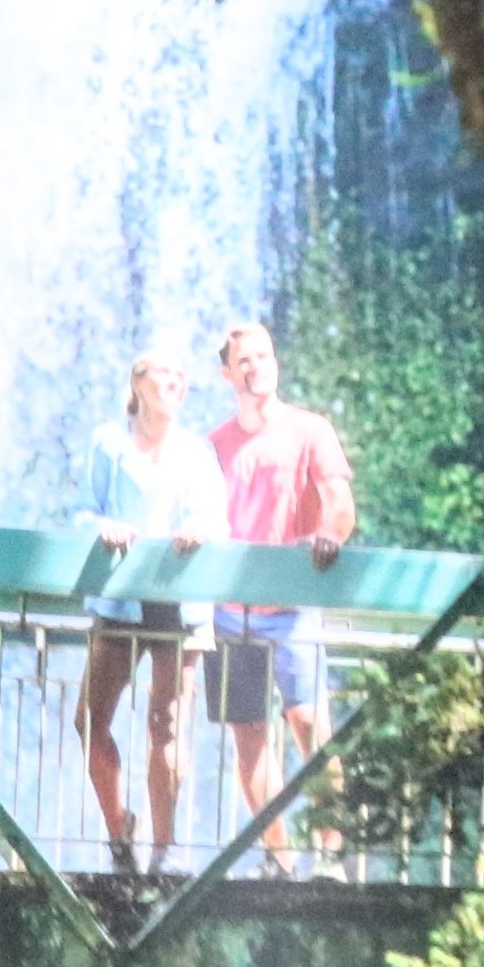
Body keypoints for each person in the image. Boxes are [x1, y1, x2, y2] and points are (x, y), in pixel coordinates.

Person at [207, 319, 356, 865]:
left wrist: (328, 535)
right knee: (249, 736)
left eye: (263, 357)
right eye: (243, 360)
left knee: (310, 726)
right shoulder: (214, 446)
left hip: (292, 609)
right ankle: (282, 858)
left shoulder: (309, 429)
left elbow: (339, 501)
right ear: (227, 373)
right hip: (229, 612)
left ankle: (332, 856)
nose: (255, 367)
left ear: (277, 362)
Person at [82, 350, 225, 879]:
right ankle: (119, 830)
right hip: (121, 593)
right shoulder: (108, 443)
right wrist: (103, 526)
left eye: (182, 377)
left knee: (166, 723)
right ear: (138, 382)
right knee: (91, 721)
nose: (175, 382)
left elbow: (215, 515)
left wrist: (200, 530)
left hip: (176, 594)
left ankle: (165, 850)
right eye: (164, 373)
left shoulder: (197, 452)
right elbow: (82, 510)